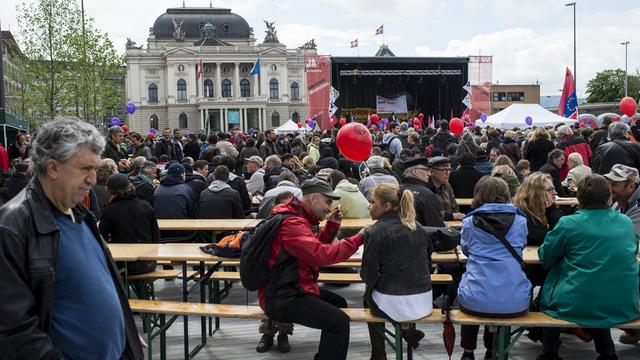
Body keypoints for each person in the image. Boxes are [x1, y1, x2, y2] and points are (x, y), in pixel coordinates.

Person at [0, 118, 143, 359]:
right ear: (53, 168)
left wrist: (124, 332)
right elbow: (14, 333)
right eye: (85, 169)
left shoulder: (80, 213)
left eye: (95, 169)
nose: (93, 179)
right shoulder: (12, 228)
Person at [259, 177, 368, 360]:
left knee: (339, 305)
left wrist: (332, 226)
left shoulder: (297, 217)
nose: (329, 208)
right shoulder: (292, 223)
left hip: (292, 287)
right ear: (313, 199)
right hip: (283, 296)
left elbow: (310, 247)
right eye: (327, 202)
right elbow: (320, 255)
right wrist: (358, 239)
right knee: (339, 322)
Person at [537, 174, 640, 360]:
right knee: (598, 287)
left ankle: (550, 352)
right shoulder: (625, 222)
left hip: (577, 303)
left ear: (580, 198)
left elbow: (546, 256)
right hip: (624, 303)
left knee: (553, 294)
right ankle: (607, 352)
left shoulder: (568, 224)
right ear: (609, 197)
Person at [459, 176, 531, 360]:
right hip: (515, 300)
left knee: (471, 287)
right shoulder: (520, 221)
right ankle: (493, 351)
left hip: (476, 299)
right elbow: (520, 247)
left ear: (478, 195)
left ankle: (468, 352)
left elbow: (466, 250)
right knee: (493, 290)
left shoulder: (469, 222)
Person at [361, 183, 431, 359]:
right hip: (424, 300)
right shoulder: (419, 228)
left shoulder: (375, 232)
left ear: (386, 206)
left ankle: (378, 353)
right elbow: (427, 265)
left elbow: (367, 275)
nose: (369, 206)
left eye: (372, 202)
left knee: (367, 297)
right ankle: (407, 332)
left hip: (396, 301)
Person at [604, 165, 640, 344]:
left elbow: (628, 235)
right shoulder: (619, 202)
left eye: (615, 184)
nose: (610, 187)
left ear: (631, 186)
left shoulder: (637, 205)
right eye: (609, 182)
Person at [99, 173, 160, 275]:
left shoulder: (110, 210)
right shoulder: (146, 206)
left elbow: (101, 237)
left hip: (122, 265)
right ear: (130, 187)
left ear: (110, 191)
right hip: (148, 263)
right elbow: (156, 236)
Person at [154, 163, 198, 242]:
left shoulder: (157, 189)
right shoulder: (186, 189)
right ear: (182, 174)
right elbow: (193, 213)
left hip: (161, 232)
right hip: (183, 233)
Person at [401, 156, 446, 226]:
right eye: (426, 170)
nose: (429, 174)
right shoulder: (427, 195)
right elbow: (436, 227)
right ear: (415, 172)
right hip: (421, 235)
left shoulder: (396, 190)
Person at [429, 156, 464, 221]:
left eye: (449, 169)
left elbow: (455, 207)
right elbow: (430, 213)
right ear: (431, 172)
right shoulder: (426, 189)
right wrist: (452, 216)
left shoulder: (447, 186)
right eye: (444, 170)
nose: (448, 173)